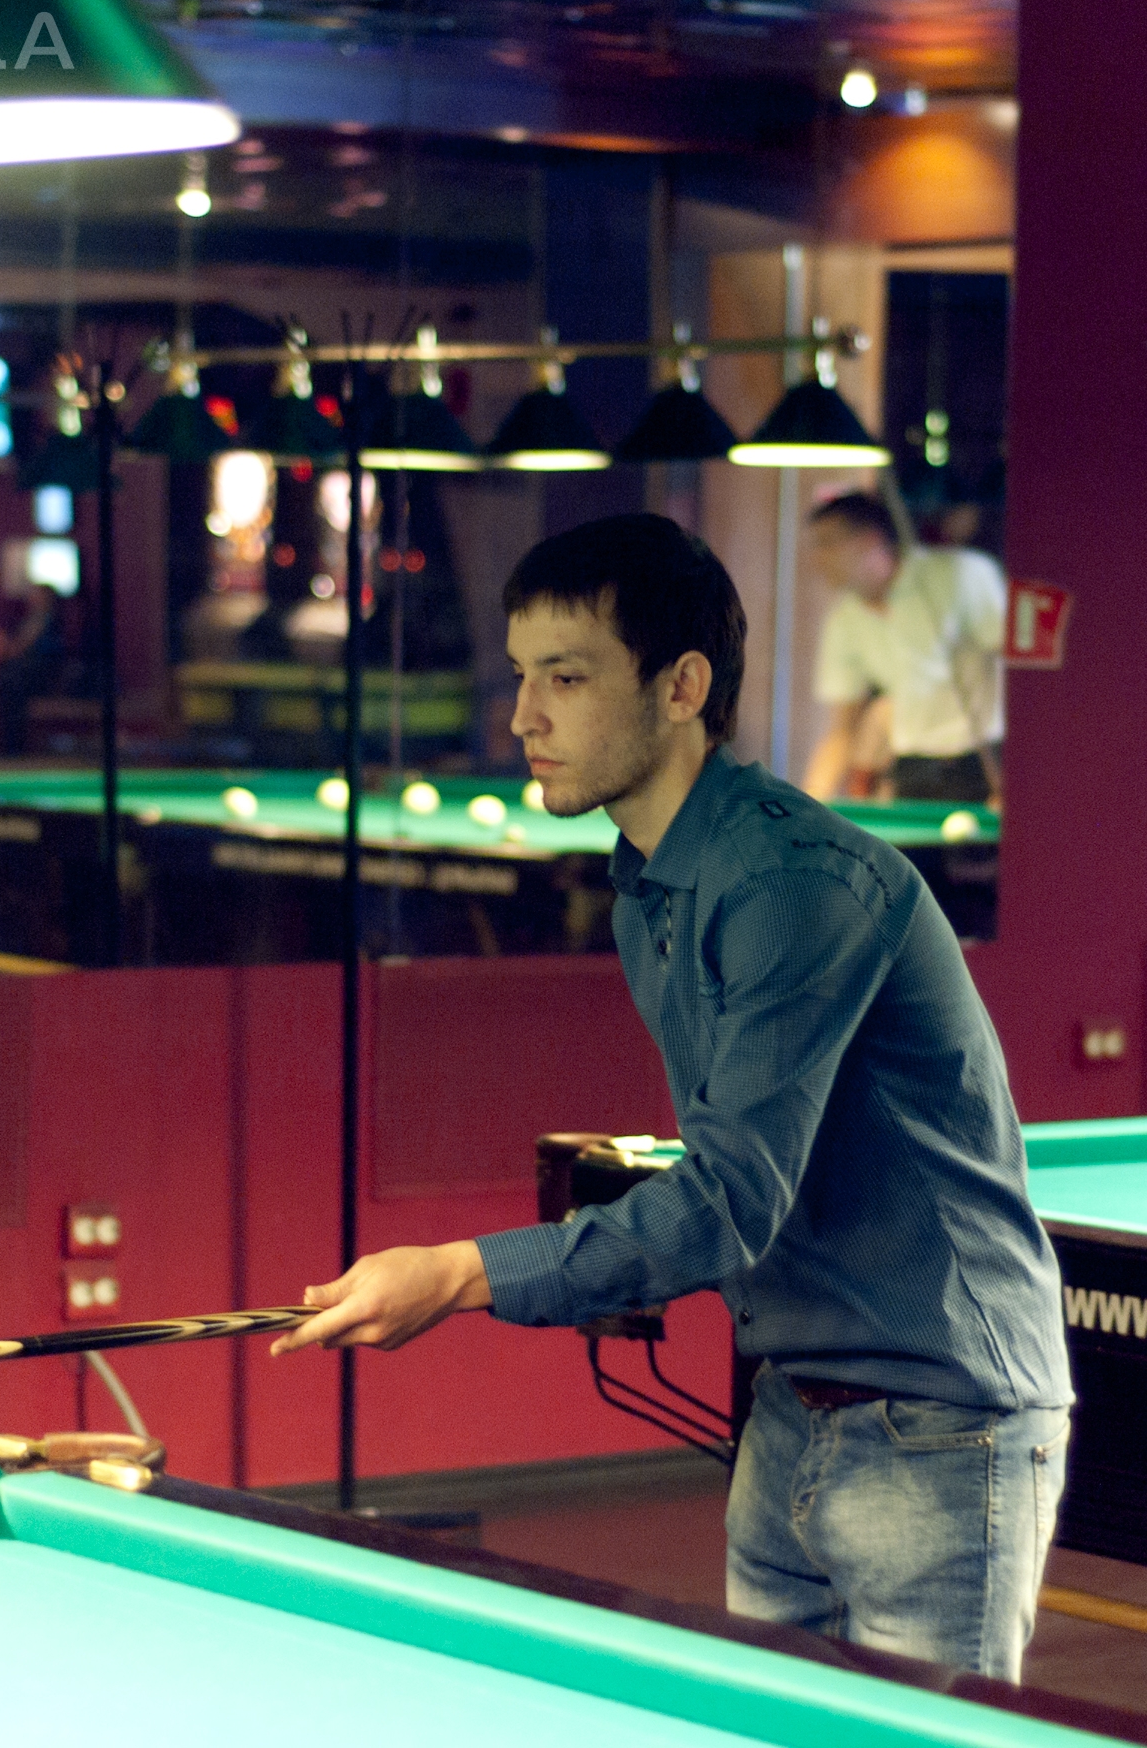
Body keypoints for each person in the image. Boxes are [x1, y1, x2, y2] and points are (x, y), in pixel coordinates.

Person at [272, 513, 1071, 1680]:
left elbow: (728, 1200)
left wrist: (455, 1273)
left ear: (683, 686)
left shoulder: (795, 884)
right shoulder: (651, 885)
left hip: (938, 1419)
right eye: (520, 676)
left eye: (566, 676)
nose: (523, 716)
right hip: (792, 1399)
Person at [799, 492, 1007, 809]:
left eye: (827, 543)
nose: (817, 558)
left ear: (869, 540)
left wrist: (1023, 774)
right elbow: (842, 730)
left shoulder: (961, 574)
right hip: (913, 768)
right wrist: (805, 808)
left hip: (985, 762)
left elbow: (1024, 674)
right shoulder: (843, 620)